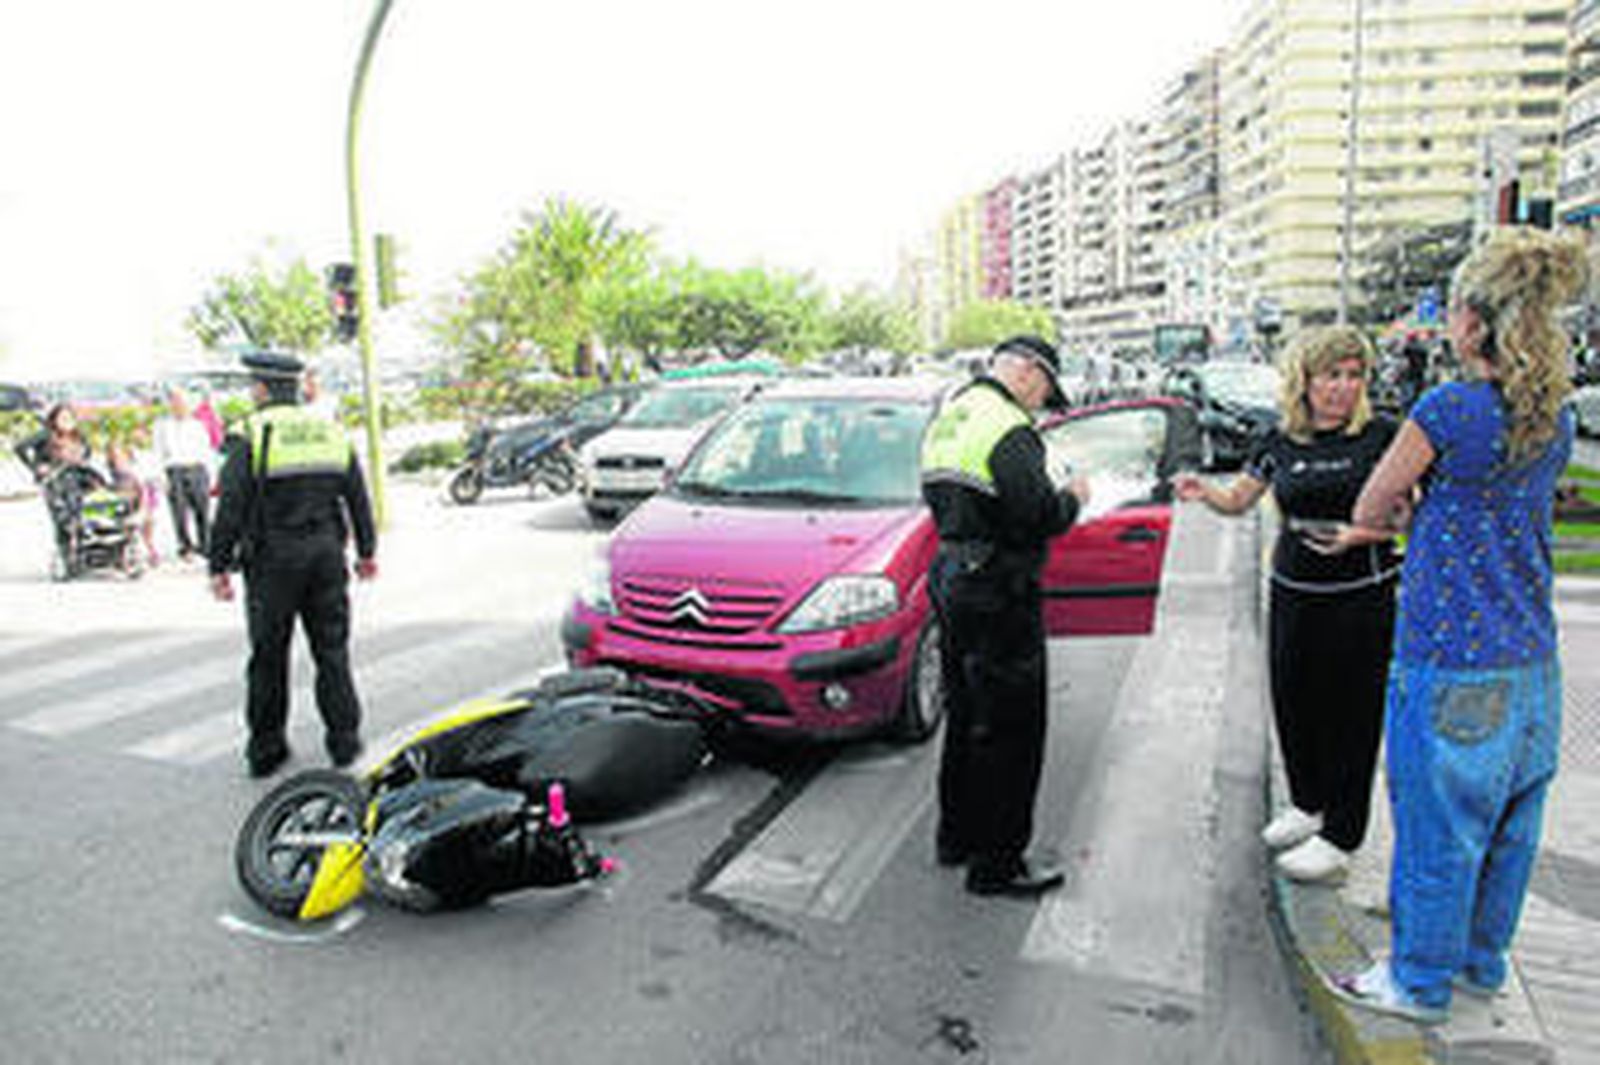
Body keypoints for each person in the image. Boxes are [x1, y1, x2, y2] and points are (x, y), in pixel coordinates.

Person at [1339, 227, 1586, 1024]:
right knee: (1512, 828)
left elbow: (1372, 505)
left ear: (1476, 323)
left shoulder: (1449, 408)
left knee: (1438, 827)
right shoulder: (1557, 419)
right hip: (1533, 660)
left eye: (1451, 311)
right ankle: (1482, 962)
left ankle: (1416, 981)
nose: (1447, 322)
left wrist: (1412, 505)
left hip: (1449, 656)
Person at [1175, 326, 1400, 884]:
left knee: (1352, 717)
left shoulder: (1383, 437)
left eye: (1354, 376)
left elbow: (1414, 516)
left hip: (1361, 597)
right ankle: (1307, 805)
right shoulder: (1278, 439)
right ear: (1304, 380)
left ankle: (1341, 837)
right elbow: (1238, 500)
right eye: (1331, 375)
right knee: (1295, 702)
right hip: (1294, 593)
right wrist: (1203, 490)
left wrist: (1360, 536)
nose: (1343, 388)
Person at [919, 334, 1088, 898]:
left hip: (951, 574)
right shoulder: (1010, 428)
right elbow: (1035, 515)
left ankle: (956, 837)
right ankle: (998, 864)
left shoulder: (953, 414)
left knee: (966, 715)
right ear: (1030, 372)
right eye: (1044, 390)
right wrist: (1075, 497)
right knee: (1013, 730)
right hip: (998, 588)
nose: (1041, 403)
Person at [208, 352, 379, 778]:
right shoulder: (329, 431)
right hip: (325, 556)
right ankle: (344, 742)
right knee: (332, 653)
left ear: (262, 389)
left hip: (272, 561)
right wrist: (367, 552)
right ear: (297, 386)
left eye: (253, 386)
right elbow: (358, 497)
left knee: (268, 658)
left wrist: (219, 565)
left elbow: (231, 507)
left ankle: (267, 750)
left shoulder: (251, 433)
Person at [153, 387, 215, 561]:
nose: (178, 405)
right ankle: (185, 546)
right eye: (174, 402)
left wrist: (211, 476)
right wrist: (161, 476)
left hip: (196, 468)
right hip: (175, 469)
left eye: (181, 402)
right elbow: (158, 452)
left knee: (202, 509)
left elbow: (206, 450)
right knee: (179, 511)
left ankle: (205, 545)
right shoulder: (162, 425)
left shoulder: (197, 425)